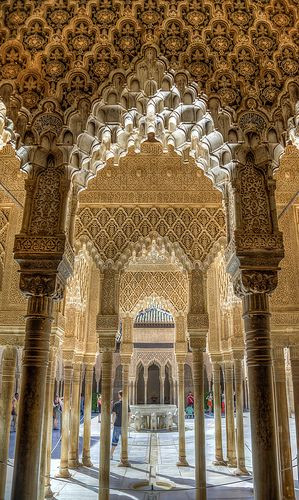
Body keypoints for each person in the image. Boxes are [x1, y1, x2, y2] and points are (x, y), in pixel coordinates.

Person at [110, 390, 131, 460]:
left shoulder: (116, 404)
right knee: (123, 441)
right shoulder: (126, 404)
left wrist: (113, 423)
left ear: (119, 395)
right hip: (124, 425)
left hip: (117, 425)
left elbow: (113, 415)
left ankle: (111, 455)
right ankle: (122, 456)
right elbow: (129, 414)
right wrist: (128, 423)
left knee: (114, 440)